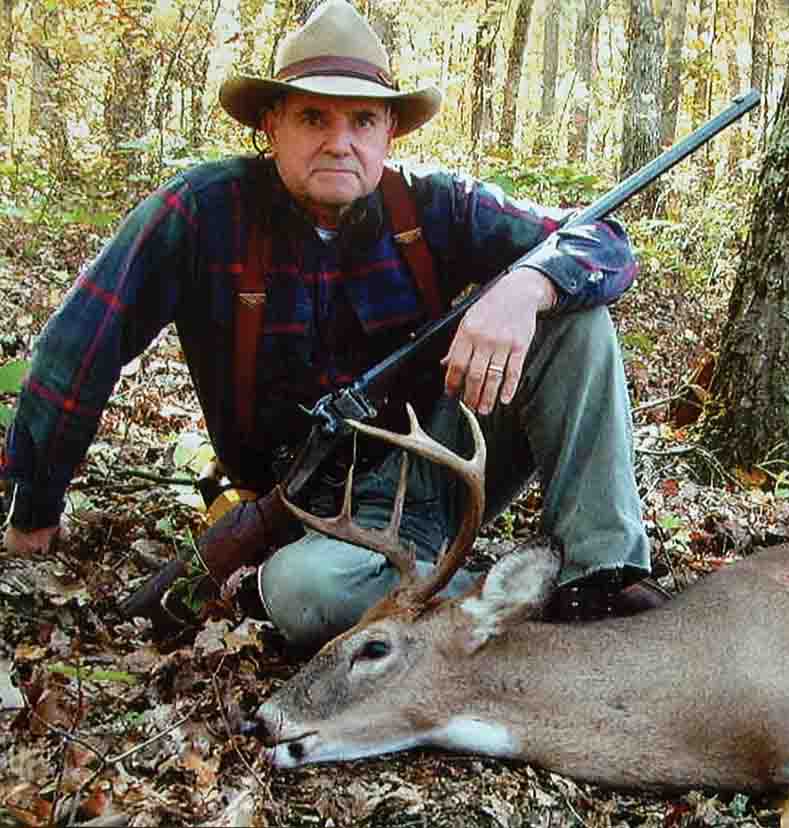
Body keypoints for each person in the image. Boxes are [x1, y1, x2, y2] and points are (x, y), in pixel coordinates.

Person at [0, 0, 664, 649]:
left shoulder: (436, 205)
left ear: (390, 133)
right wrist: (35, 508)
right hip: (312, 519)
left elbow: (603, 240)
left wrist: (528, 284)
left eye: (362, 120)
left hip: (446, 467)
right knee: (300, 594)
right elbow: (79, 348)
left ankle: (597, 578)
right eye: (313, 117)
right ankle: (514, 614)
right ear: (271, 124)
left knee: (574, 317)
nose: (339, 142)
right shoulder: (201, 214)